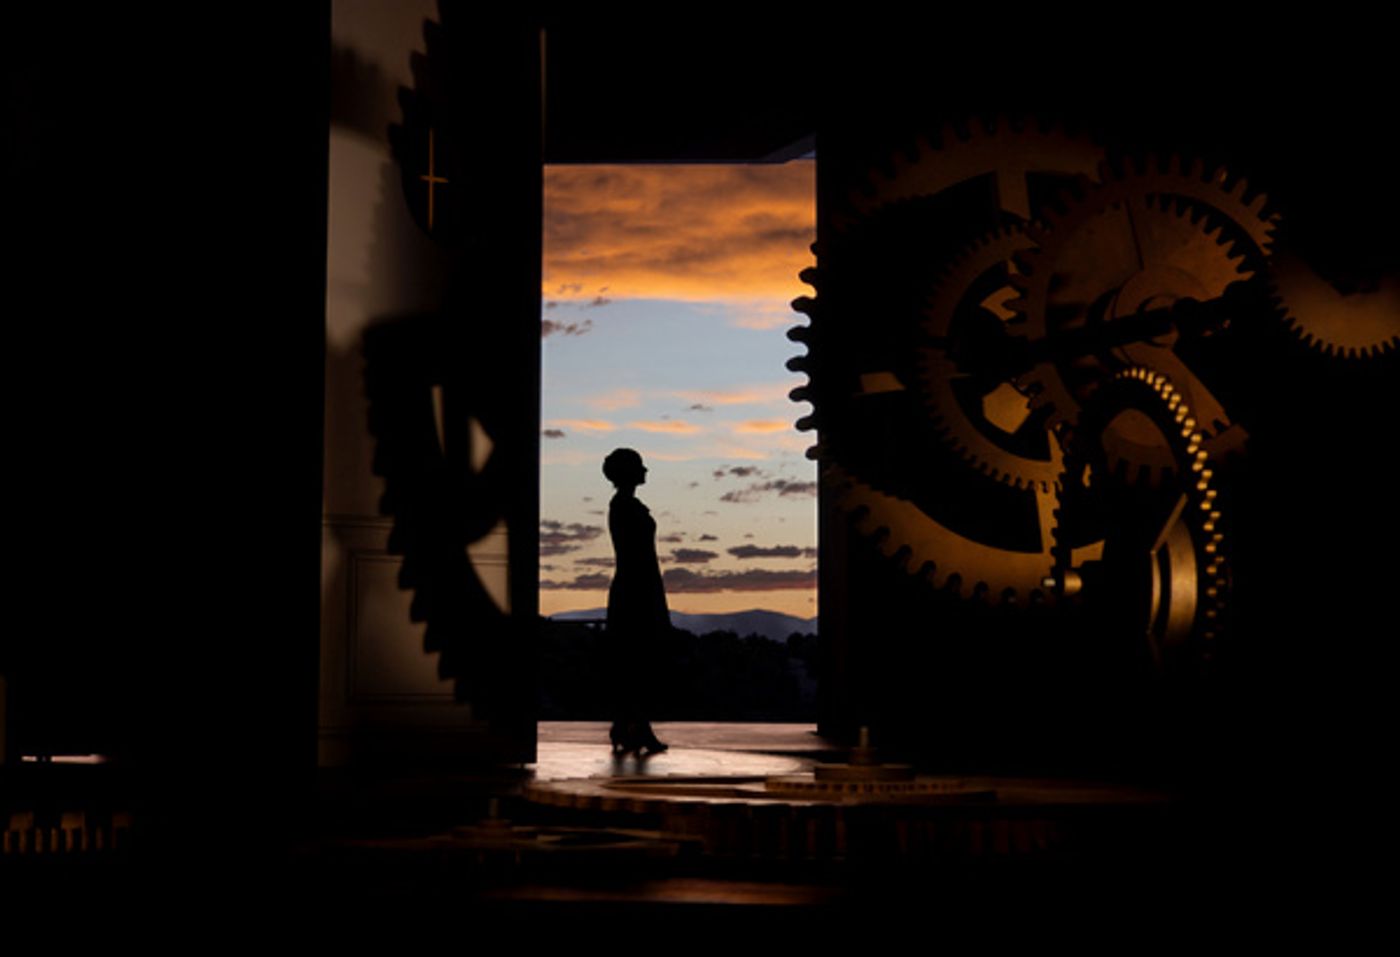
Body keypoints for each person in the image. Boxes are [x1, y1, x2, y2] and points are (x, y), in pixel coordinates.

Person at [602, 448, 669, 756]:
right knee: (637, 662)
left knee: (633, 662)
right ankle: (637, 727)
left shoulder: (624, 506)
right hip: (636, 588)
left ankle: (625, 725)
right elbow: (640, 556)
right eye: (640, 467)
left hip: (634, 586)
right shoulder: (625, 508)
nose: (646, 471)